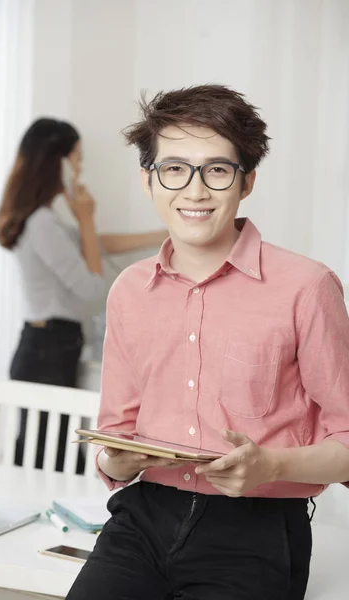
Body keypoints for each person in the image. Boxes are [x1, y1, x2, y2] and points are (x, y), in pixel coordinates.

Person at [65, 85, 349, 600]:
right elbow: (114, 437)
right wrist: (116, 461)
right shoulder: (129, 290)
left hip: (256, 529)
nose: (194, 191)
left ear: (247, 182)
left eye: (217, 170)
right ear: (149, 180)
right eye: (174, 169)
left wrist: (273, 466)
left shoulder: (307, 286)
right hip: (140, 520)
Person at [0, 118, 167, 472]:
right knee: (47, 460)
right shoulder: (42, 222)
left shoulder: (48, 221)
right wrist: (87, 218)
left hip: (50, 345)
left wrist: (165, 235)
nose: (80, 169)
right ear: (58, 161)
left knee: (45, 455)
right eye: (78, 159)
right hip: (47, 347)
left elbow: (95, 246)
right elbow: (92, 288)